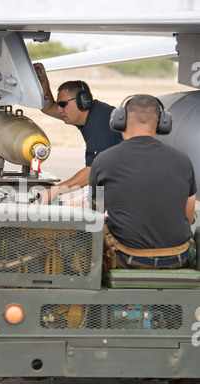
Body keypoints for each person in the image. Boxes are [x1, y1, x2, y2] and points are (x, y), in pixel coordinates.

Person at [89, 94, 197, 270]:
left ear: (120, 120)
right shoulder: (183, 160)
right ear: (163, 123)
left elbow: (96, 213)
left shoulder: (104, 160)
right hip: (178, 258)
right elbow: (189, 216)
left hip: (125, 257)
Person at [34, 63, 122, 204]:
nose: (59, 110)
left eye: (63, 105)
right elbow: (48, 108)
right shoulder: (89, 114)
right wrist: (43, 81)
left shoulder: (100, 127)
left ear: (83, 102)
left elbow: (90, 173)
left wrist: (52, 192)